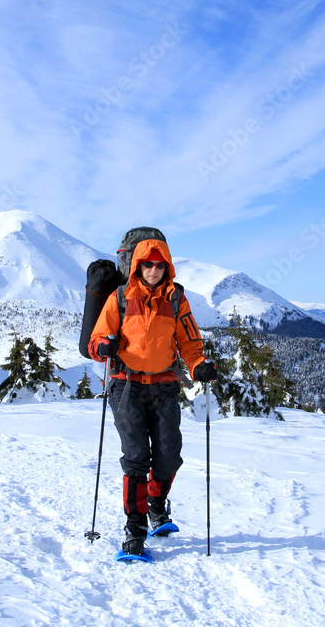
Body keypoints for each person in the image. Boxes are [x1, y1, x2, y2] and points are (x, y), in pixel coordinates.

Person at [89, 238, 217, 557]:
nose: (154, 270)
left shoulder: (175, 300)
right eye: (149, 264)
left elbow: (189, 342)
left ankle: (156, 504)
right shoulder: (120, 298)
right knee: (135, 457)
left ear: (167, 268)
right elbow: (95, 339)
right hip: (126, 385)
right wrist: (102, 347)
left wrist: (199, 366)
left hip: (163, 385)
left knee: (168, 454)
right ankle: (135, 529)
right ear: (138, 266)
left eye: (160, 265)